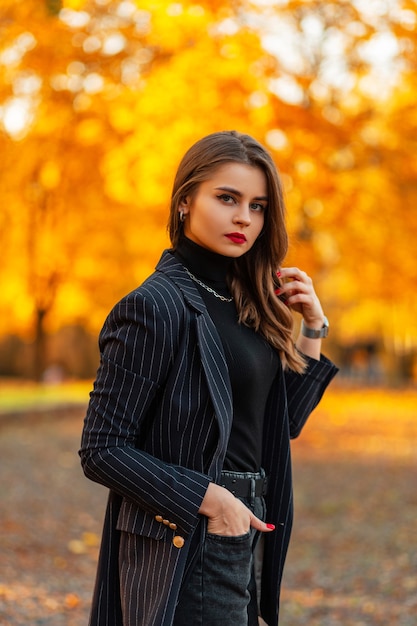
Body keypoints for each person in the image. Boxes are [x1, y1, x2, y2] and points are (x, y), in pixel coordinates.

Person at [79, 130, 338, 626]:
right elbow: (101, 449)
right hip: (188, 533)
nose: (244, 217)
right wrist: (213, 502)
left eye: (258, 206)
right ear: (184, 202)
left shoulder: (244, 303)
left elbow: (280, 424)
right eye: (227, 198)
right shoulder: (152, 307)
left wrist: (313, 330)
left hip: (247, 521)